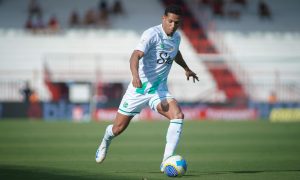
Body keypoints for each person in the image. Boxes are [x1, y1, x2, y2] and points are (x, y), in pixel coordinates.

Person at [95, 4, 199, 172]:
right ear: (163, 19)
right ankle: (106, 140)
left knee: (178, 115)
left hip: (160, 90)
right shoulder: (152, 34)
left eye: (177, 23)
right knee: (118, 129)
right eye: (170, 21)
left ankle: (166, 160)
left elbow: (175, 52)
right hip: (139, 89)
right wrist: (135, 76)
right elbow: (135, 55)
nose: (173, 26)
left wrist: (186, 68)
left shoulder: (176, 37)